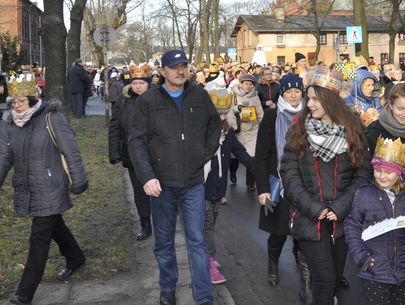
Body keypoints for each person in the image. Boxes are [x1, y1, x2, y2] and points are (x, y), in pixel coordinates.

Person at [0, 74, 88, 305]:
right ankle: (75, 258)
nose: (16, 106)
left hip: (51, 186)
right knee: (54, 225)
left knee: (38, 238)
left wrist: (79, 181)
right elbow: (1, 159)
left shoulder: (53, 118)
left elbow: (71, 151)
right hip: (28, 187)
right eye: (13, 102)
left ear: (33, 98)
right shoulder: (13, 125)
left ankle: (24, 294)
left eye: (20, 101)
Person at [127, 49, 220, 305]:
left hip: (192, 182)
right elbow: (136, 141)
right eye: (175, 67)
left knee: (197, 242)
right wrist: (147, 176)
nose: (181, 71)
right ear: (163, 72)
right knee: (164, 241)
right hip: (161, 184)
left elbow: (215, 125)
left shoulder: (200, 95)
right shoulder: (148, 100)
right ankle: (167, 287)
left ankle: (203, 297)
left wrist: (204, 153)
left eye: (184, 66)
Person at [280, 66, 372, 305]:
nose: (308, 103)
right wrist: (315, 208)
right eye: (308, 98)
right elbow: (289, 176)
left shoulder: (353, 130)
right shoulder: (298, 130)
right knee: (322, 279)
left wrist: (341, 206)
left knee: (334, 279)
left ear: (329, 100)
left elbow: (362, 172)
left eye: (314, 98)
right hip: (309, 219)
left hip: (342, 219)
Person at [345, 137, 405, 305]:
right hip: (374, 268)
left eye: (388, 172)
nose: (382, 176)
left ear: (399, 172)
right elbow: (352, 226)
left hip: (404, 267)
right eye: (378, 171)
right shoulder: (364, 194)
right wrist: (361, 256)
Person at [255, 74, 307, 293]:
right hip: (279, 183)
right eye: (289, 91)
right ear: (282, 94)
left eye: (297, 91)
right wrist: (263, 189)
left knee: (304, 233)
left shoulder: (310, 114)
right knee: (278, 233)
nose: (293, 95)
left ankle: (306, 279)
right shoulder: (271, 116)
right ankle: (273, 266)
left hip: (305, 185)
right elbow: (262, 154)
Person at [204, 88, 254, 285]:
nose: (221, 117)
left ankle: (206, 258)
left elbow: (240, 153)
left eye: (224, 113)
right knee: (206, 227)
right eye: (217, 114)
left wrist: (260, 170)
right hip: (203, 188)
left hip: (219, 189)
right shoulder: (201, 133)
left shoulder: (228, 132)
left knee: (211, 223)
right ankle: (208, 262)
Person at [108, 63, 154, 241]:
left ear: (148, 83)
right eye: (135, 83)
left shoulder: (158, 99)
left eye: (142, 83)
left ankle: (162, 220)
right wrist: (115, 154)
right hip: (132, 153)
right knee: (140, 190)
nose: (138, 86)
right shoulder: (123, 100)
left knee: (160, 190)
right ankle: (145, 224)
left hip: (156, 153)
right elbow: (115, 128)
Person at [229, 72, 264, 191]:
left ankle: (250, 183)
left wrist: (263, 127)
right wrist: (237, 109)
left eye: (250, 84)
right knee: (234, 157)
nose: (248, 86)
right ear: (241, 84)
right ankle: (232, 173)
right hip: (237, 130)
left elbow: (260, 113)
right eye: (246, 84)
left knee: (252, 157)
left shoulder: (255, 96)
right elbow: (228, 110)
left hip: (252, 130)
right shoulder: (233, 94)